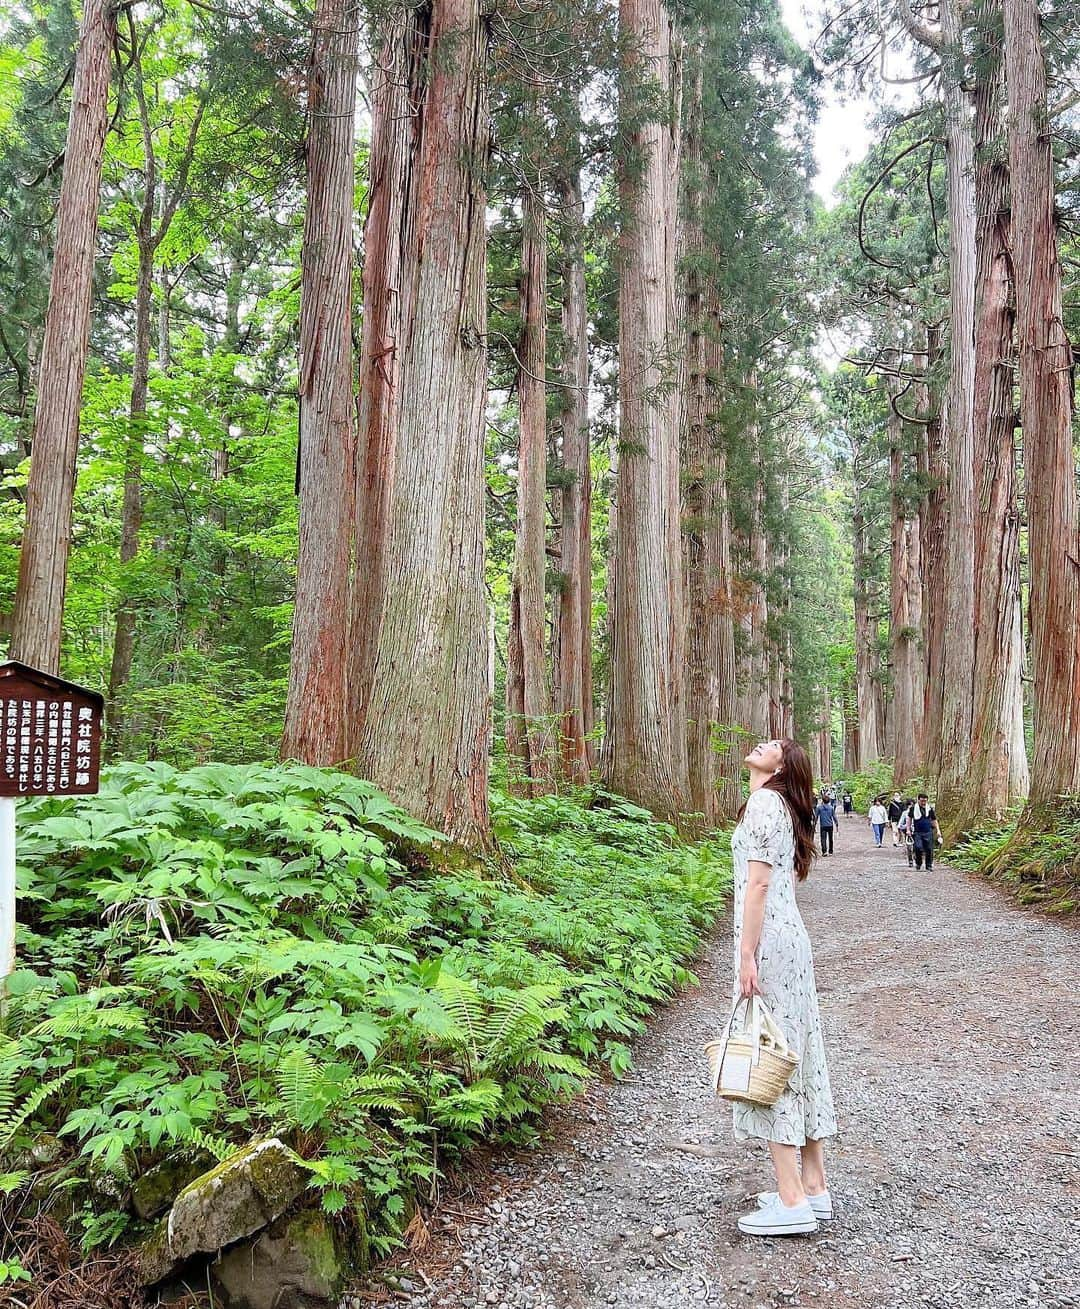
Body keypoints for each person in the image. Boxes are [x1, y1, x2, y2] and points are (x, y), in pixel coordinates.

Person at [729, 738, 838, 1237]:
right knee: (801, 1052)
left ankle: (791, 1199)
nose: (762, 742)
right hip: (792, 939)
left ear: (782, 767)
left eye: (774, 745)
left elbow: (757, 885)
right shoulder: (780, 807)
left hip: (770, 944)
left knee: (770, 1055)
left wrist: (747, 954)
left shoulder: (761, 803)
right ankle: (812, 1185)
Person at [907, 793, 942, 870]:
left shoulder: (929, 808)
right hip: (917, 832)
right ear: (918, 800)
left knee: (929, 849)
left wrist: (938, 830)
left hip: (928, 831)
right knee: (918, 848)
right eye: (922, 801)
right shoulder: (913, 808)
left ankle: (928, 865)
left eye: (925, 801)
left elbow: (934, 820)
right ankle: (918, 863)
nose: (923, 802)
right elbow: (909, 819)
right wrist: (908, 829)